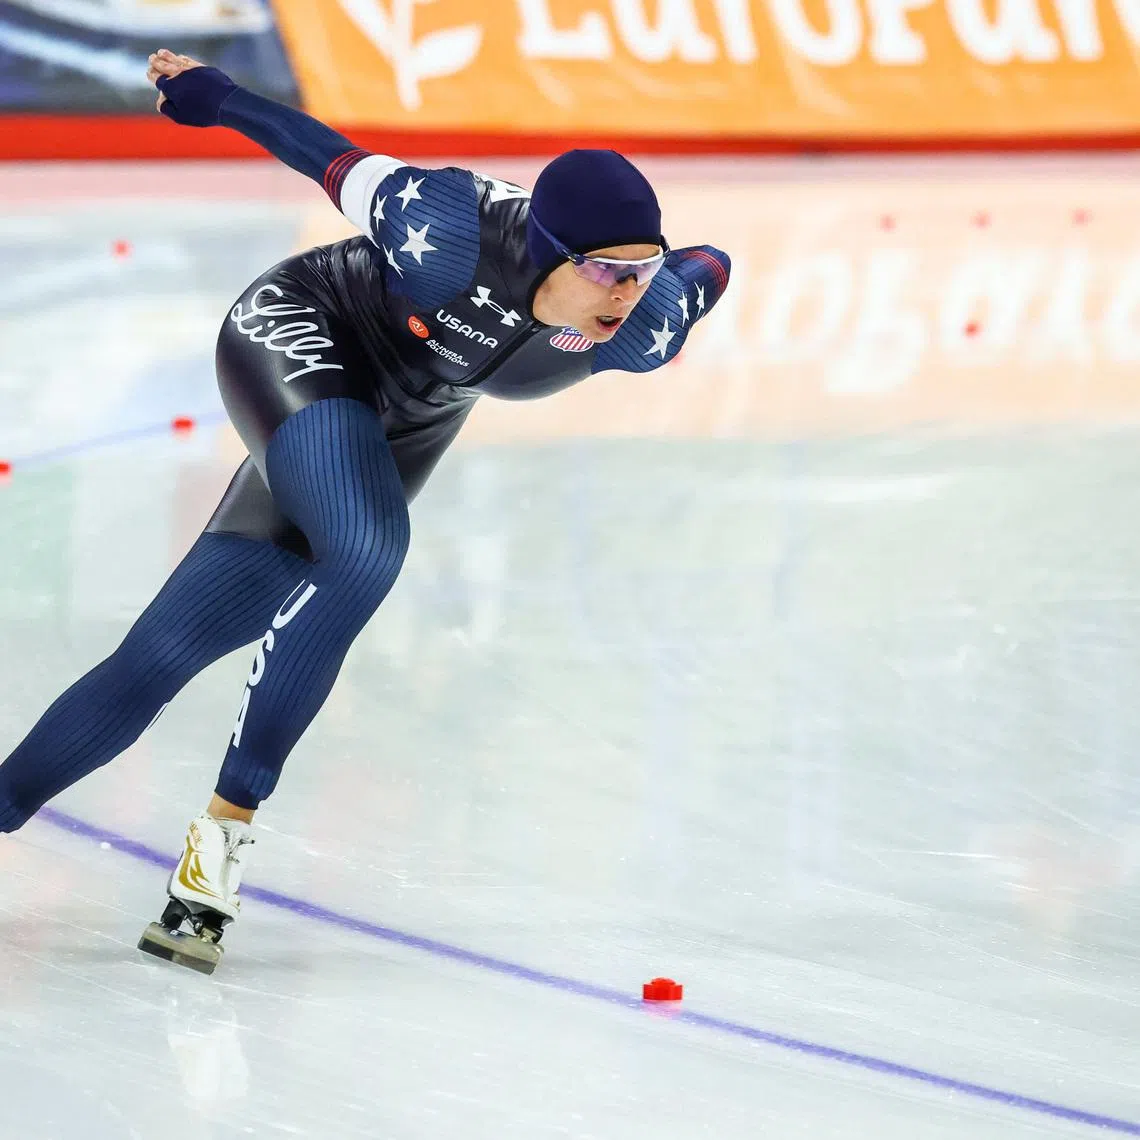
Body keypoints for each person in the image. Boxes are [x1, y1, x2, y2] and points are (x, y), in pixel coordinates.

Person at [0, 50, 731, 973]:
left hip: (410, 420)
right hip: (302, 333)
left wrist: (679, 265)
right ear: (549, 251)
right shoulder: (445, 225)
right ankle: (221, 842)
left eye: (641, 270)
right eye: (604, 273)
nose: (625, 295)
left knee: (167, 650)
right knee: (369, 551)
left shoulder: (646, 324)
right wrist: (211, 95)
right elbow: (326, 154)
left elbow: (713, 265)